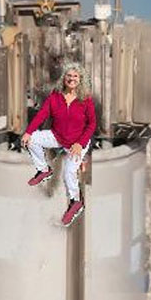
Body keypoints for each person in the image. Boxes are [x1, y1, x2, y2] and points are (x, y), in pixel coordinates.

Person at [24, 65, 96, 226]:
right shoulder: (55, 96)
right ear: (64, 78)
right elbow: (42, 114)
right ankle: (44, 170)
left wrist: (80, 143)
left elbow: (91, 124)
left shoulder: (86, 100)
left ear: (80, 80)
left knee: (68, 174)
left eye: (75, 76)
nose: (71, 79)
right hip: (58, 136)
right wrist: (29, 131)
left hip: (77, 143)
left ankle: (76, 202)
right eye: (69, 76)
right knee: (33, 140)